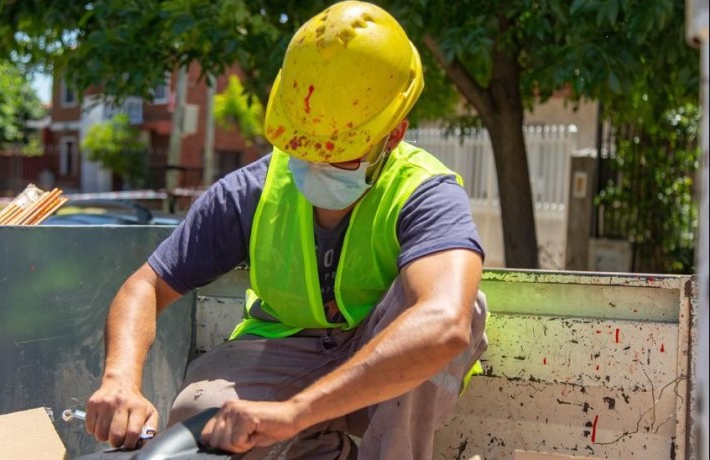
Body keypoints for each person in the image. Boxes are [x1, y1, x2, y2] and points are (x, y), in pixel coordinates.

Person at [85, 1, 488, 458]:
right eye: (303, 145)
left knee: (460, 305)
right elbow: (146, 285)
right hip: (286, 352)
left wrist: (296, 412)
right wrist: (120, 379)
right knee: (201, 413)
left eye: (337, 152)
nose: (315, 164)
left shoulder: (423, 191)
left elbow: (445, 323)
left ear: (392, 136)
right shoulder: (251, 191)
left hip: (385, 378)